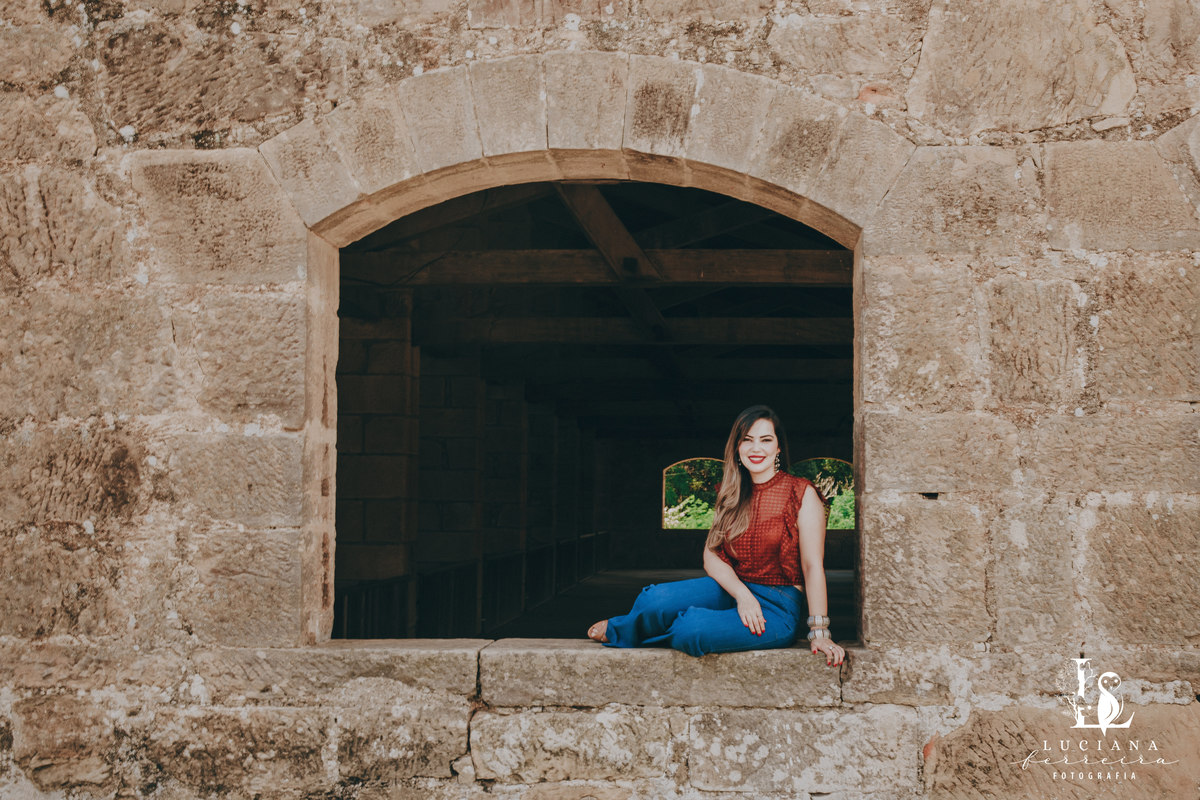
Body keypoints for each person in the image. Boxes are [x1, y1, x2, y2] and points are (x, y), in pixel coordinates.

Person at [587, 405, 845, 666]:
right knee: (654, 599)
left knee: (692, 629)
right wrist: (743, 596)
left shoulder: (800, 493)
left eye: (766, 440)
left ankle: (643, 630)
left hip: (777, 605)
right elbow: (711, 554)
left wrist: (819, 633)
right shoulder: (730, 492)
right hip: (733, 588)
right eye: (747, 440)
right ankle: (634, 626)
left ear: (778, 448)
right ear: (737, 447)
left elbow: (812, 566)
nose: (757, 449)